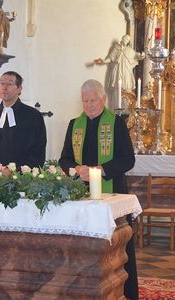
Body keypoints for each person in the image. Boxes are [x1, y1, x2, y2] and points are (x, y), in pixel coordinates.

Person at [59, 79, 138, 300]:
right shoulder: (74, 124)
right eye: (85, 101)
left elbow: (128, 159)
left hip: (111, 191)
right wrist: (75, 169)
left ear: (104, 99)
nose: (89, 105)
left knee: (116, 245)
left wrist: (100, 170)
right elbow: (64, 159)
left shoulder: (116, 124)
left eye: (93, 100)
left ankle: (122, 291)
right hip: (79, 194)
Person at [0, 71, 47, 175]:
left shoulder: (32, 116)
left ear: (19, 89)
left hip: (21, 180)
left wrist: (15, 171)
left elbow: (37, 150)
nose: (4, 87)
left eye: (9, 84)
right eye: (2, 83)